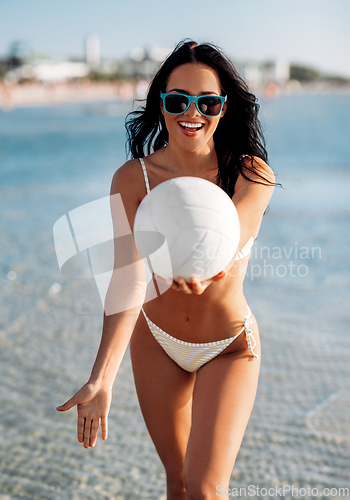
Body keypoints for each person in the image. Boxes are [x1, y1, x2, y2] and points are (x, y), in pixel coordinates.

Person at [57, 40, 277, 499]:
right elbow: (128, 278)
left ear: (223, 107)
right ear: (161, 105)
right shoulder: (132, 180)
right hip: (155, 340)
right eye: (177, 100)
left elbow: (230, 233)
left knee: (205, 488)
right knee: (177, 483)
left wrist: (205, 261)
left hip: (229, 346)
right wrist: (101, 377)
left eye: (207, 101)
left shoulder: (252, 174)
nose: (191, 112)